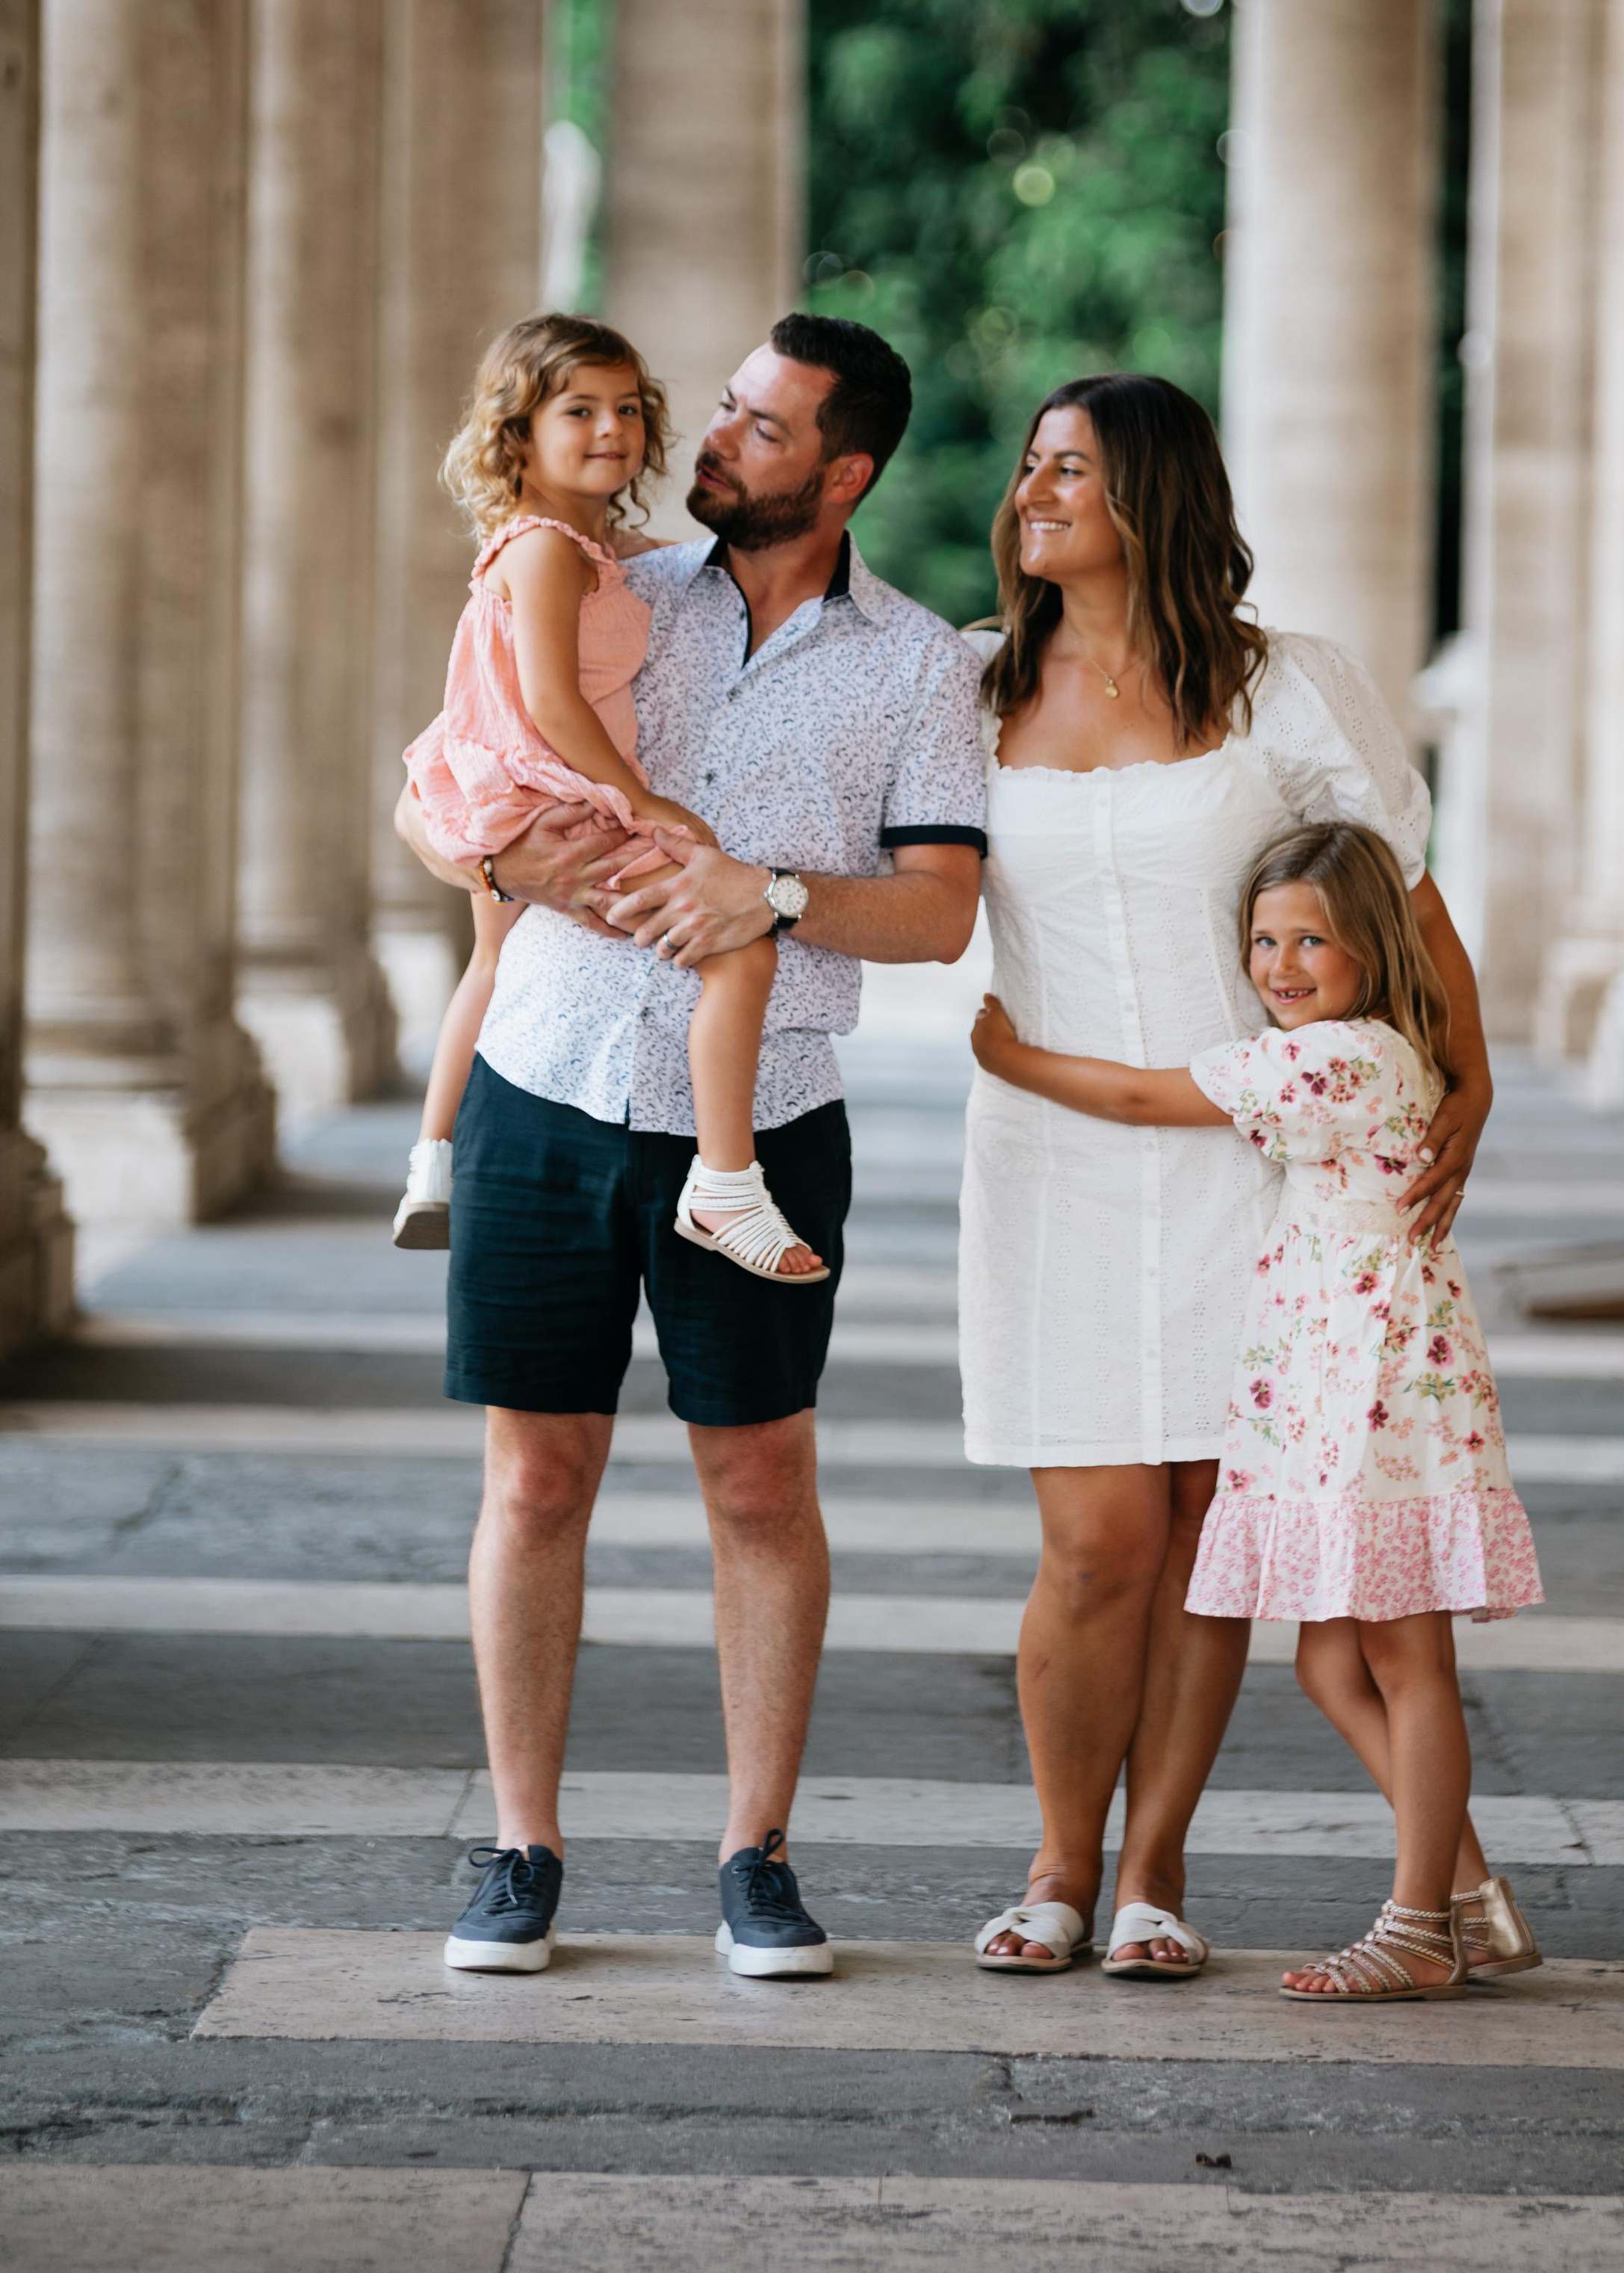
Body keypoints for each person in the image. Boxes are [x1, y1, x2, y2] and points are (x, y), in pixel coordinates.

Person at [393, 314, 986, 1979]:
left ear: (844, 470)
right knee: (534, 1475)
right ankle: (521, 1849)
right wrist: (536, 869)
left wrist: (772, 894)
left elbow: (937, 916)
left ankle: (755, 1855)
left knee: (758, 1481)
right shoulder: (601, 582)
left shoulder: (921, 663)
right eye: (714, 411)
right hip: (546, 1080)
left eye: (757, 426)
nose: (709, 440)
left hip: (766, 1117)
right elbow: (431, 789)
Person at [957, 374, 1493, 1983]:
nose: (1033, 490)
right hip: (1051, 1156)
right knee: (1093, 1538)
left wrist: (1462, 1079)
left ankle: (1152, 1876)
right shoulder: (968, 691)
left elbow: (1399, 889)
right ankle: (1055, 1865)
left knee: (1204, 1526)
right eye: (1031, 464)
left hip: (1257, 1166)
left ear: (1153, 501)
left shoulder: (1281, 686)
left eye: (1073, 469)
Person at [973, 820, 1543, 2000]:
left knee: (1405, 1660)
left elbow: (1138, 1099)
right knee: (1335, 1670)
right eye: (1263, 939)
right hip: (1353, 1382)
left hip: (1376, 1390)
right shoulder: (1381, 1048)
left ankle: (1417, 1928)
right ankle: (1471, 1903)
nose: (1281, 966)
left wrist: (1009, 1057)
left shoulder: (1328, 1063)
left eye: (1312, 942)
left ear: (1374, 952)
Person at [395, 313, 822, 1284]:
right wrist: (643, 801)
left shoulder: (592, 549)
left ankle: (433, 1162)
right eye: (578, 409)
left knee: (495, 959)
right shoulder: (546, 551)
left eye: (627, 409)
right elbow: (550, 696)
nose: (610, 429)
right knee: (742, 945)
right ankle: (724, 1184)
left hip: (505, 785)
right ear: (519, 433)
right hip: (556, 792)